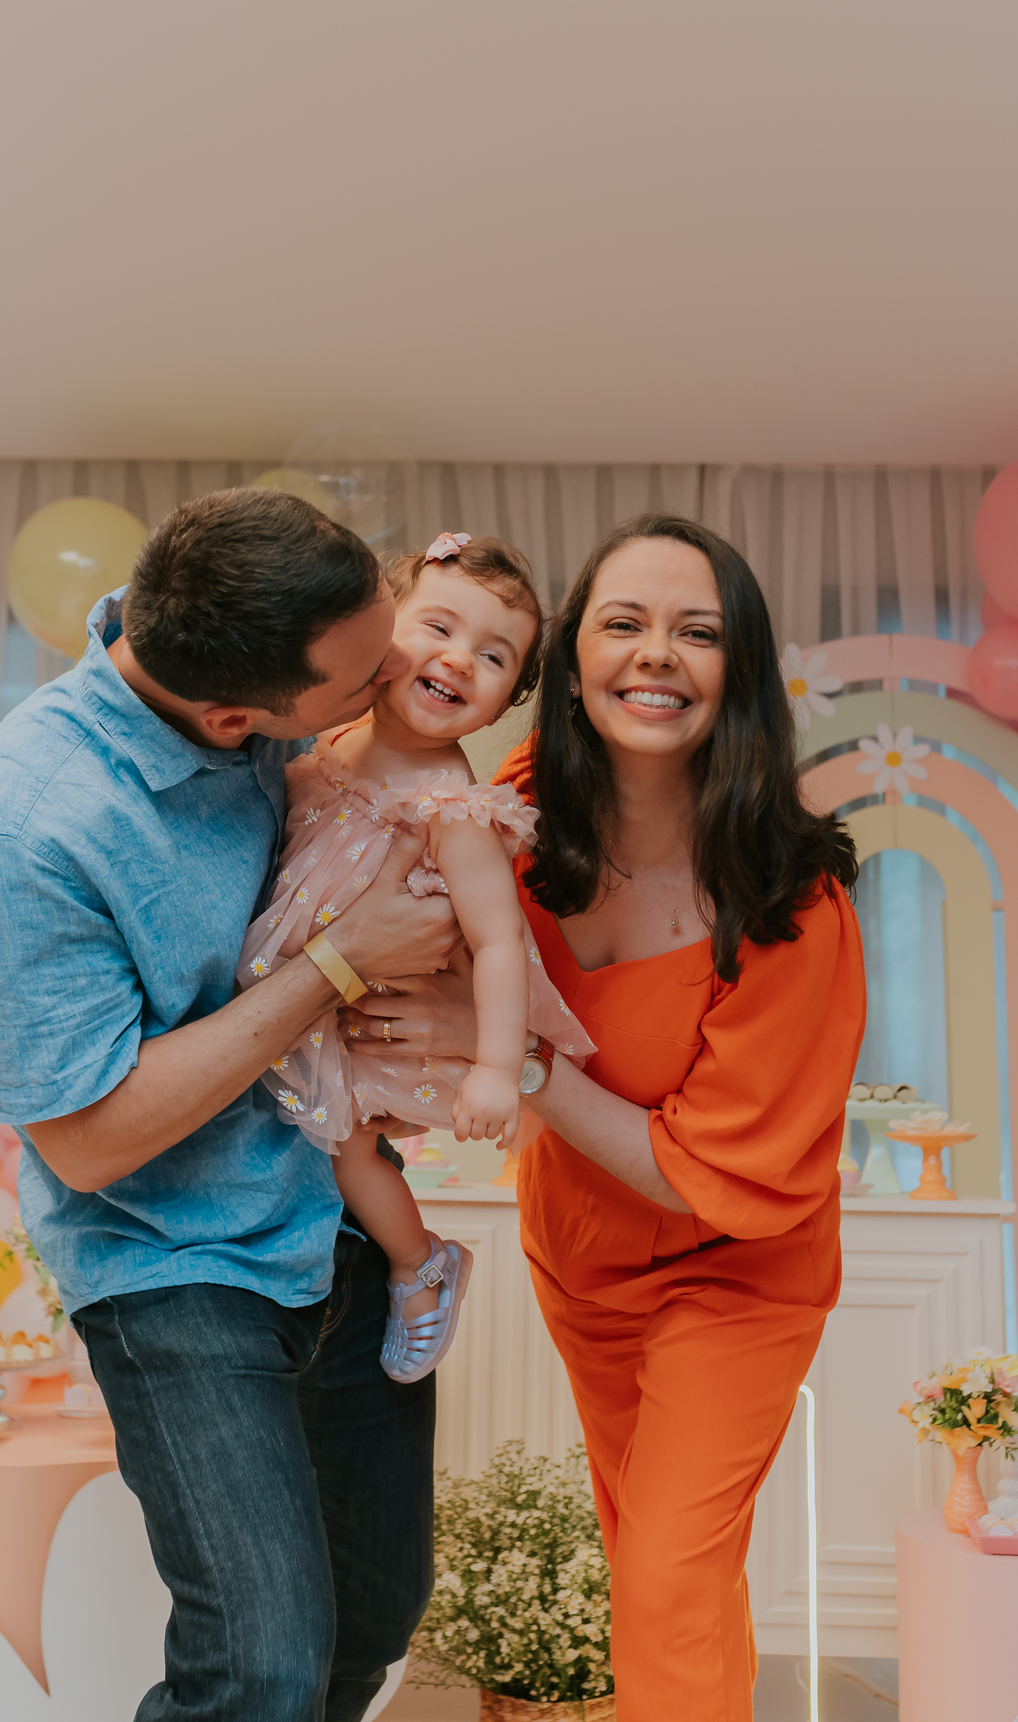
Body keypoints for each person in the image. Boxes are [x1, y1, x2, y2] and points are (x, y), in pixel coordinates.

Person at [0, 487, 463, 1722]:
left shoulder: (262, 662)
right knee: (262, 1666)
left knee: (373, 1617)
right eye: (357, 683)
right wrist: (338, 966)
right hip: (174, 1260)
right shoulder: (33, 829)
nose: (392, 676)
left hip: (335, 1224)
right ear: (240, 717)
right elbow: (87, 1137)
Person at [342, 513, 866, 1720]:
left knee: (670, 1579)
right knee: (659, 1565)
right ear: (569, 661)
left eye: (698, 632)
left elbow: (701, 1173)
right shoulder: (514, 812)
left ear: (741, 673)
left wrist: (511, 1060)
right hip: (584, 1261)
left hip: (737, 1273)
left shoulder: (794, 891)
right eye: (623, 625)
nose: (656, 655)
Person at [239, 533, 593, 1384]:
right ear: (383, 633)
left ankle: (419, 1262)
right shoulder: (320, 745)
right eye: (438, 627)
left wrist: (497, 1068)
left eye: (494, 655)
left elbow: (501, 939)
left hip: (360, 1016)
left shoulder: (454, 807)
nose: (458, 659)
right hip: (297, 989)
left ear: (514, 692)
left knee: (351, 1150)